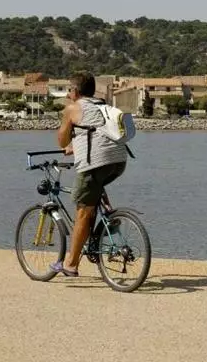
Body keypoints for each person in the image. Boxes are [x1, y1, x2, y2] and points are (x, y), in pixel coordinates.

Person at [50, 72, 128, 277]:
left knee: (83, 210)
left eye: (69, 89)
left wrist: (68, 142)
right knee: (94, 193)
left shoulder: (73, 108)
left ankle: (71, 264)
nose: (68, 93)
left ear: (75, 91)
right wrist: (76, 147)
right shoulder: (104, 105)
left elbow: (61, 140)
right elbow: (98, 134)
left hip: (96, 163)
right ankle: (107, 222)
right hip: (119, 161)